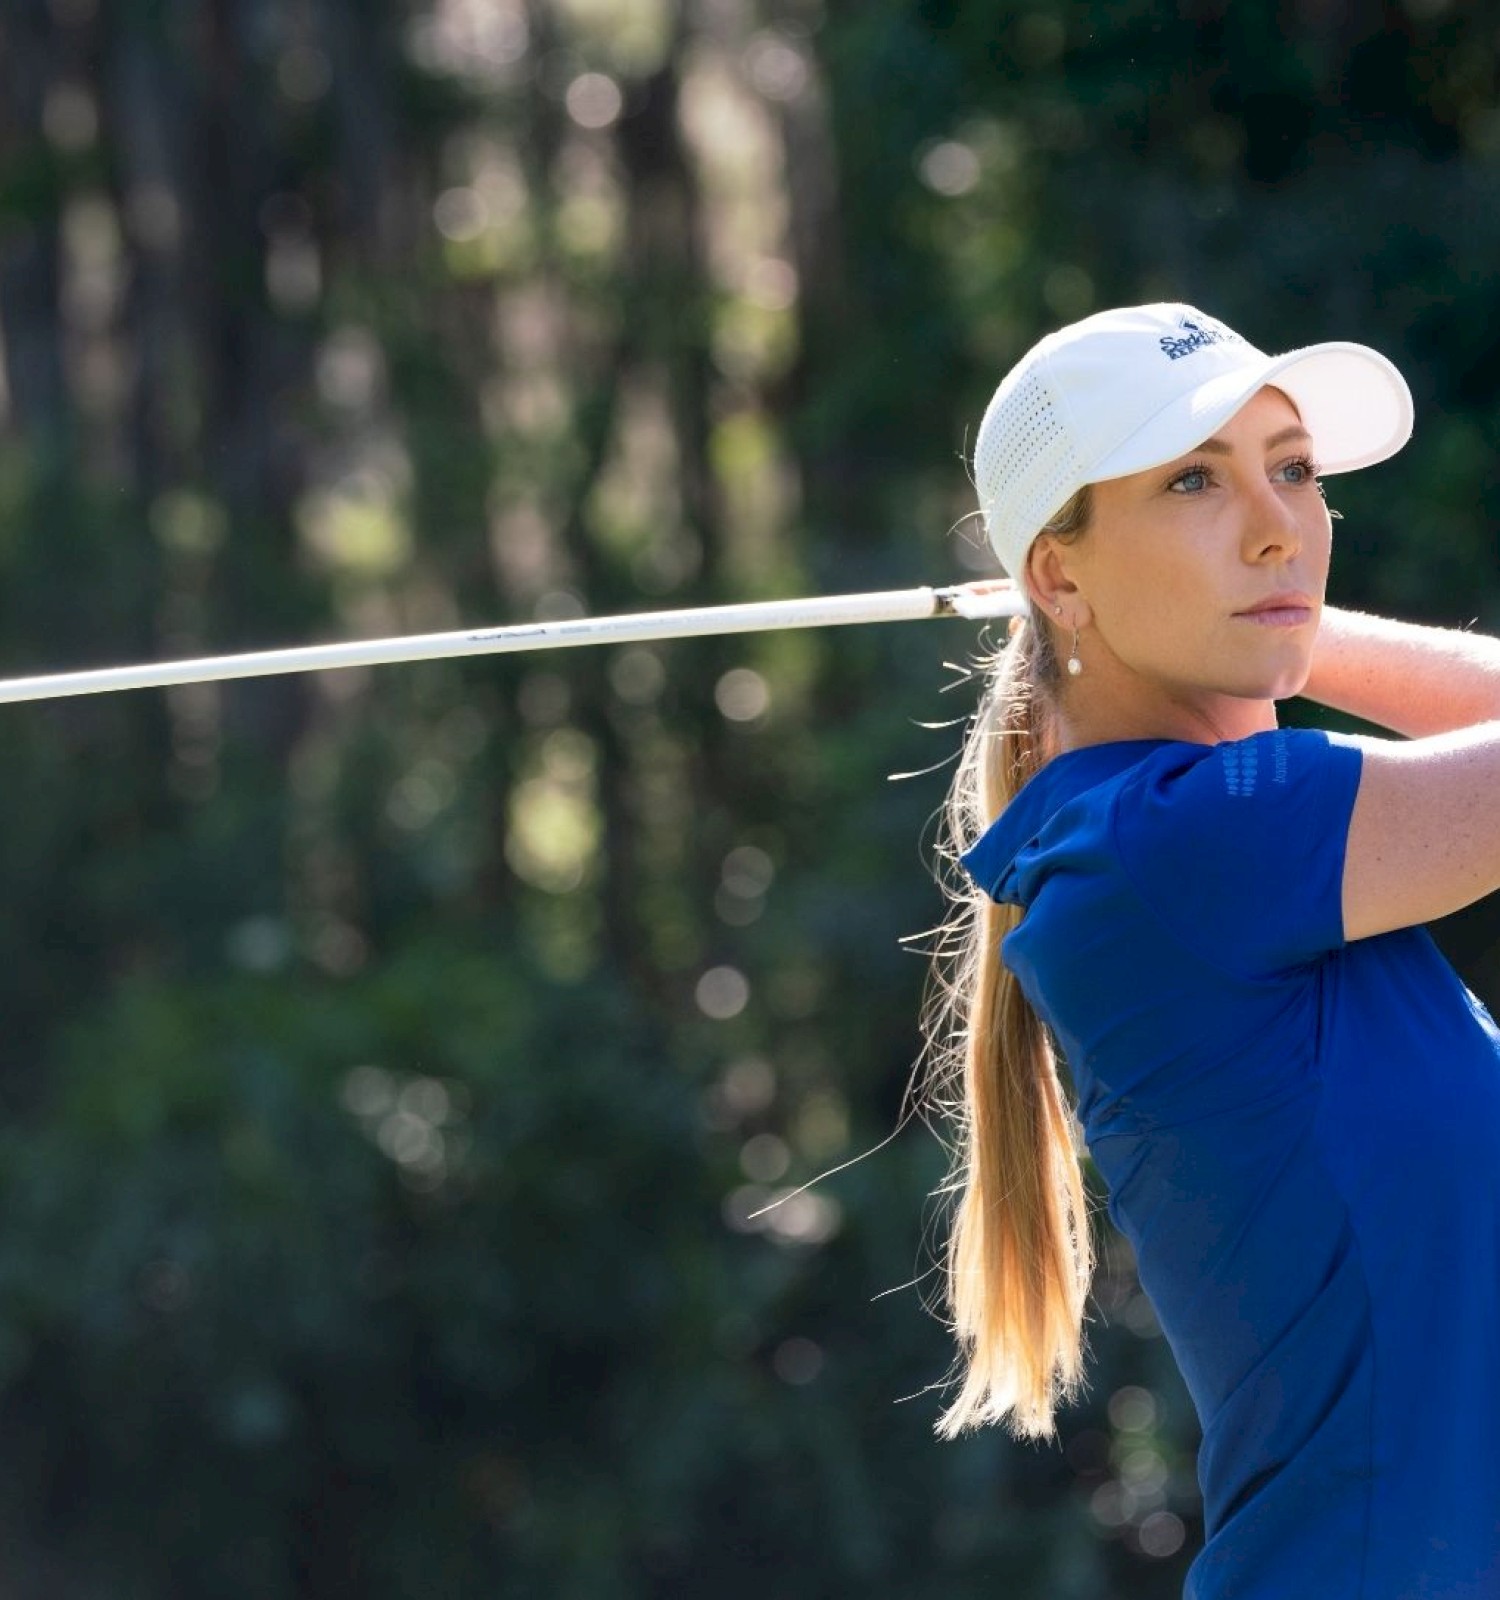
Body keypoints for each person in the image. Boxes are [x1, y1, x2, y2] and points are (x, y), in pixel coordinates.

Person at [927, 302, 1500, 1598]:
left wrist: (1283, 611)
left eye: (1292, 471)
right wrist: (1282, 613)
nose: (1276, 519)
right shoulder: (1173, 845)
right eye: (1193, 479)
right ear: (1059, 572)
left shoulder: (1197, 845)